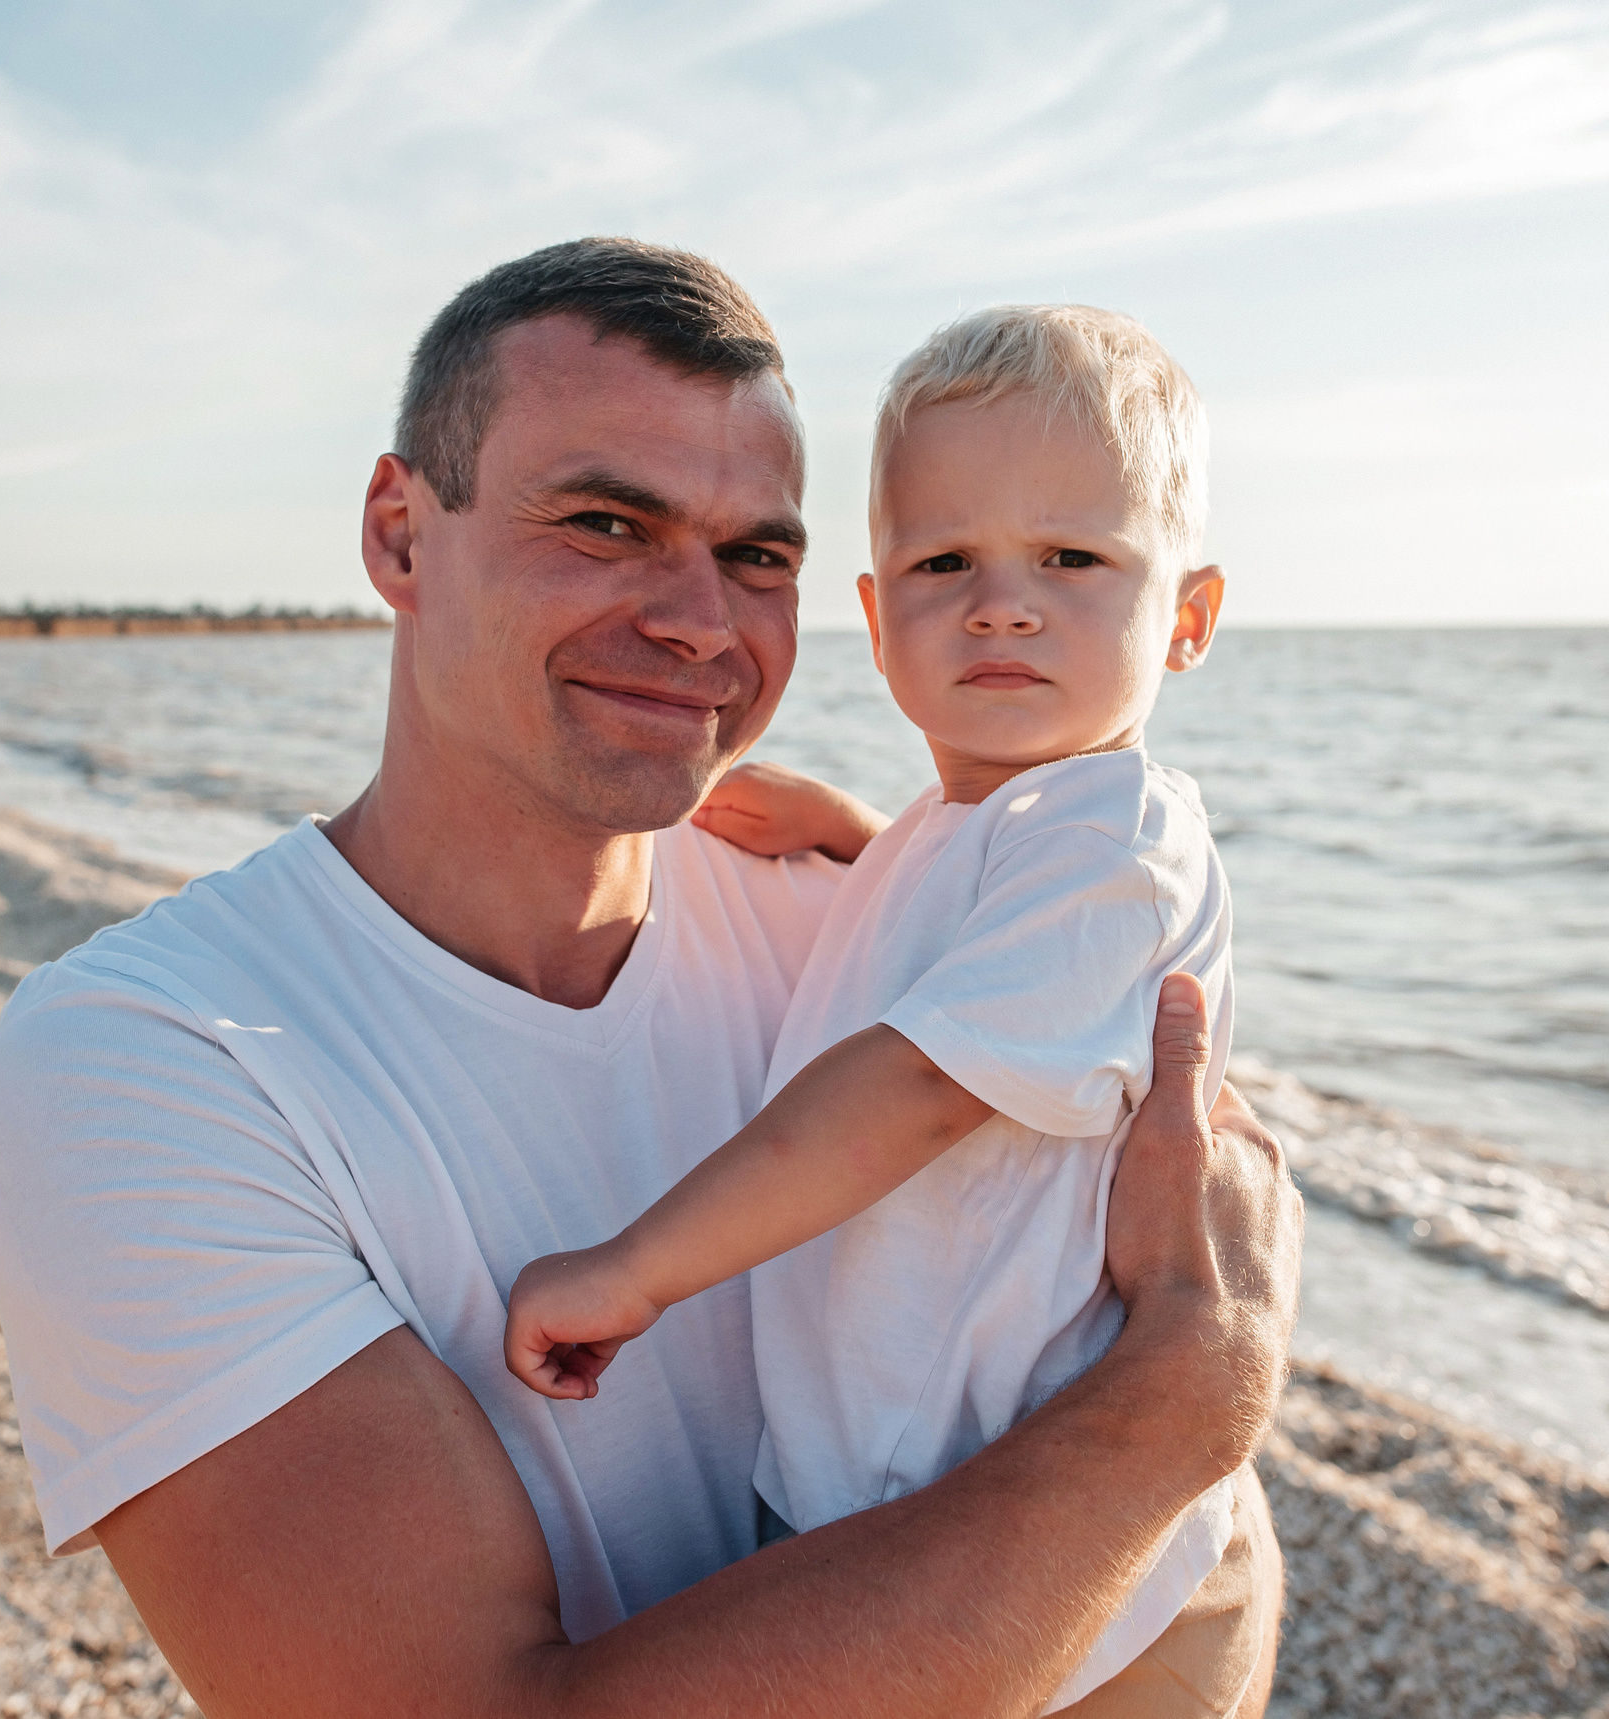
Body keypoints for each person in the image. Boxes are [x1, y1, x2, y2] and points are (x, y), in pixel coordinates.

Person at [0, 237, 1302, 1717]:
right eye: (606, 523)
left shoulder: (848, 912)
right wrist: (1191, 1398)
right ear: (403, 535)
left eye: (757, 556)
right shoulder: (153, 1061)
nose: (699, 620)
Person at [503, 303, 1242, 1714]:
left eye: (1073, 559)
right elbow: (971, 930)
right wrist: (861, 841)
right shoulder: (978, 827)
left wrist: (641, 1268)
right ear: (876, 615)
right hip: (888, 1479)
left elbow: (915, 1086)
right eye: (944, 560)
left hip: (1018, 1538)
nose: (1002, 602)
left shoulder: (1117, 840)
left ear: (1188, 618)